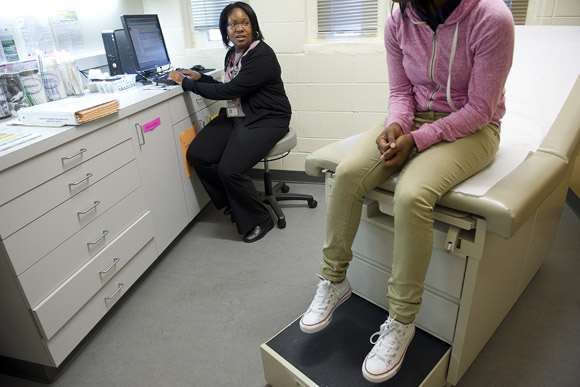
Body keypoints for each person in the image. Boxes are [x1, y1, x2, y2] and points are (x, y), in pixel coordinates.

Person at [299, 0, 514, 383]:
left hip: (475, 128)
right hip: (415, 119)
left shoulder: (491, 17)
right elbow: (400, 91)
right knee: (348, 173)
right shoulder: (399, 20)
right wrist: (398, 125)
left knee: (412, 194)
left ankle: (401, 320)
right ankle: (334, 281)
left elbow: (481, 108)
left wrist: (418, 141)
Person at [168, 2, 291, 243]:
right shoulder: (232, 54)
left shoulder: (261, 54)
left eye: (245, 23)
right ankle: (235, 204)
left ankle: (259, 219)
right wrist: (200, 77)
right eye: (233, 24)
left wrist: (187, 84)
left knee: (230, 169)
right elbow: (230, 84)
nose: (239, 29)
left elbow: (231, 89)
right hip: (239, 114)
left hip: (266, 119)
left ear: (253, 26)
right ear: (226, 29)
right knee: (198, 154)